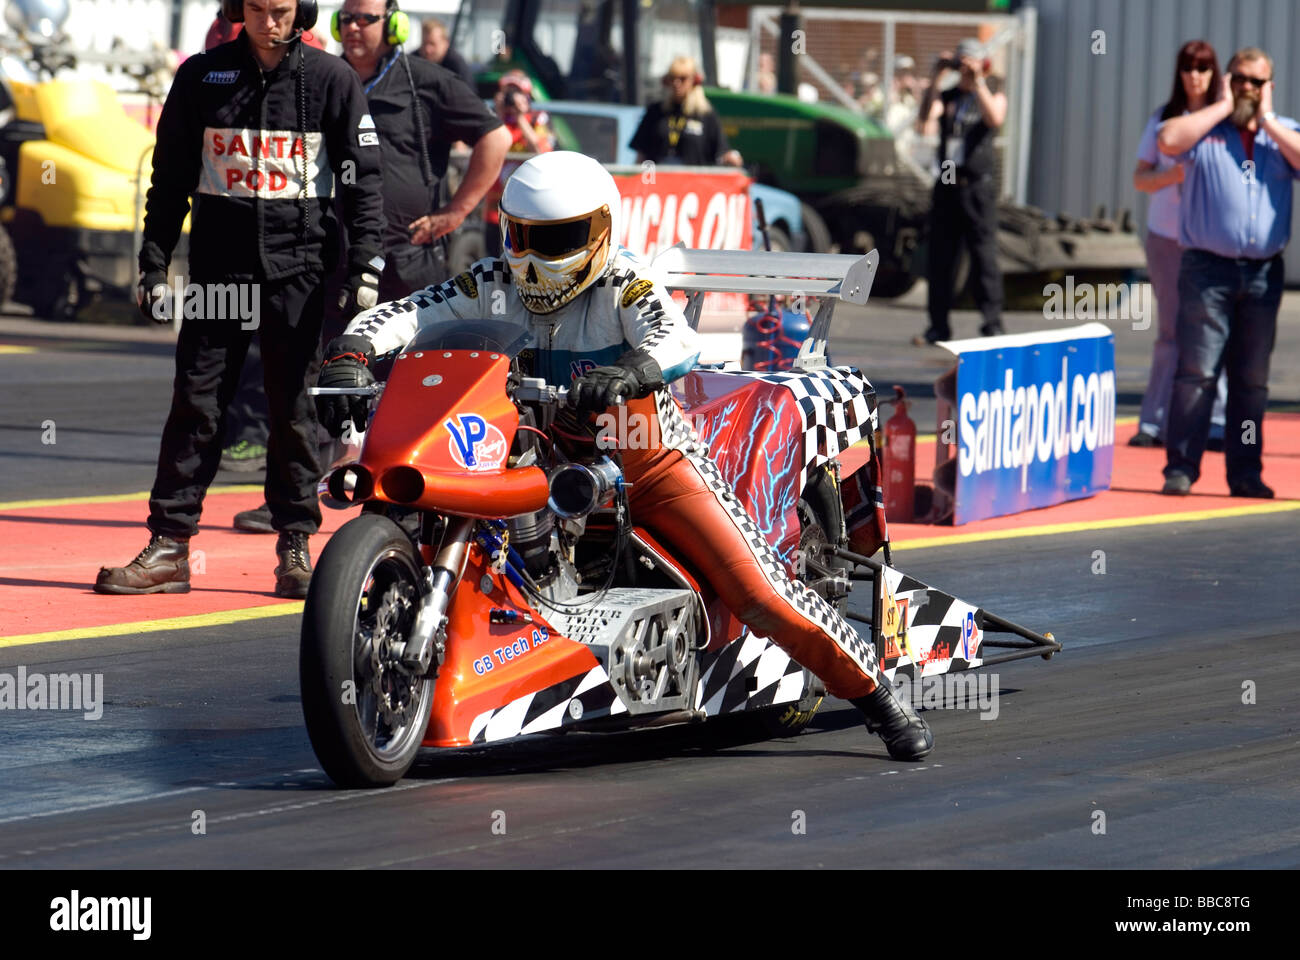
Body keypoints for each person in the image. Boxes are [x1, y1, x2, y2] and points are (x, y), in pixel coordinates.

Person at [315, 151, 934, 762]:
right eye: (522, 237)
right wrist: (352, 348)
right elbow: (411, 311)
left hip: (649, 464)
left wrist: (633, 369)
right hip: (534, 459)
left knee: (756, 592)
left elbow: (676, 337)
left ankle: (881, 700)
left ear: (602, 232)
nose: (533, 258)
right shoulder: (491, 282)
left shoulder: (625, 280)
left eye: (557, 240)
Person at [94, 0, 386, 597]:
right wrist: (153, 264)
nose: (268, 22)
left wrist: (366, 267)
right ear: (236, 9)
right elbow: (170, 178)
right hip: (217, 276)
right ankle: (170, 547)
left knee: (294, 413)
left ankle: (296, 549)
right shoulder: (202, 76)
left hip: (299, 275)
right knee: (195, 406)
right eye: (255, 9)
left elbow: (363, 180)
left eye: (280, 10)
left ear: (301, 11)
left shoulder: (332, 81)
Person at [228, 0, 511, 533]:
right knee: (311, 374)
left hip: (405, 258)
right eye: (347, 19)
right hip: (330, 254)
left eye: (366, 19)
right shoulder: (322, 78)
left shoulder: (425, 80)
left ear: (393, 25)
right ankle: (292, 501)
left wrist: (456, 212)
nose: (355, 28)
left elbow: (495, 137)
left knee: (418, 376)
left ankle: (422, 495)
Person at [1156, 47, 1299, 498]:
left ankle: (1245, 473)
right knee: (1197, 372)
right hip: (1206, 269)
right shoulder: (1205, 129)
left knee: (1251, 381)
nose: (1248, 89)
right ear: (1227, 80)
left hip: (1262, 275)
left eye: (1257, 82)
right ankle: (1181, 467)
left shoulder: (1281, 135)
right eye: (1240, 79)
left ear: (1269, 87)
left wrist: (1269, 118)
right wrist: (1220, 105)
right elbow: (1167, 142)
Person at [1131, 40, 1228, 450]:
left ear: (1214, 74)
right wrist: (1174, 176)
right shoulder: (1165, 118)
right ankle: (1154, 421)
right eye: (1188, 68)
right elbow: (1140, 177)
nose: (1195, 76)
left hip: (1209, 240)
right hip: (1168, 237)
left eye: (1203, 69)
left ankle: (1218, 422)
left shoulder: (1223, 122)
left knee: (1212, 330)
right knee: (1170, 331)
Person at [913, 38, 1007, 345]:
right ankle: (937, 324)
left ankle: (992, 322)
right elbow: (925, 119)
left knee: (984, 256)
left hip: (977, 187)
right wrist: (936, 76)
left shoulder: (991, 93)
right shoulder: (948, 96)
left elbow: (995, 118)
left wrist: (978, 80)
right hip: (947, 185)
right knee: (941, 258)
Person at [483, 71, 555, 258]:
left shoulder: (537, 119)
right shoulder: (494, 120)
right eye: (507, 93)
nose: (510, 99)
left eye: (515, 93)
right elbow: (485, 145)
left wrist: (520, 117)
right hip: (495, 208)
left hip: (526, 210)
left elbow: (540, 150)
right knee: (494, 260)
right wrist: (499, 114)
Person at [630, 56, 743, 167]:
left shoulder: (705, 114)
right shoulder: (655, 112)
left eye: (683, 78)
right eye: (673, 78)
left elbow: (721, 150)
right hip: (659, 180)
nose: (676, 83)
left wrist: (731, 158)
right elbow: (641, 154)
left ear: (694, 80)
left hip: (693, 182)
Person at [414, 16, 475, 90]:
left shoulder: (457, 66)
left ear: (445, 43)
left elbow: (469, 97)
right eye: (424, 43)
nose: (427, 50)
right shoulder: (413, 61)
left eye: (432, 44)